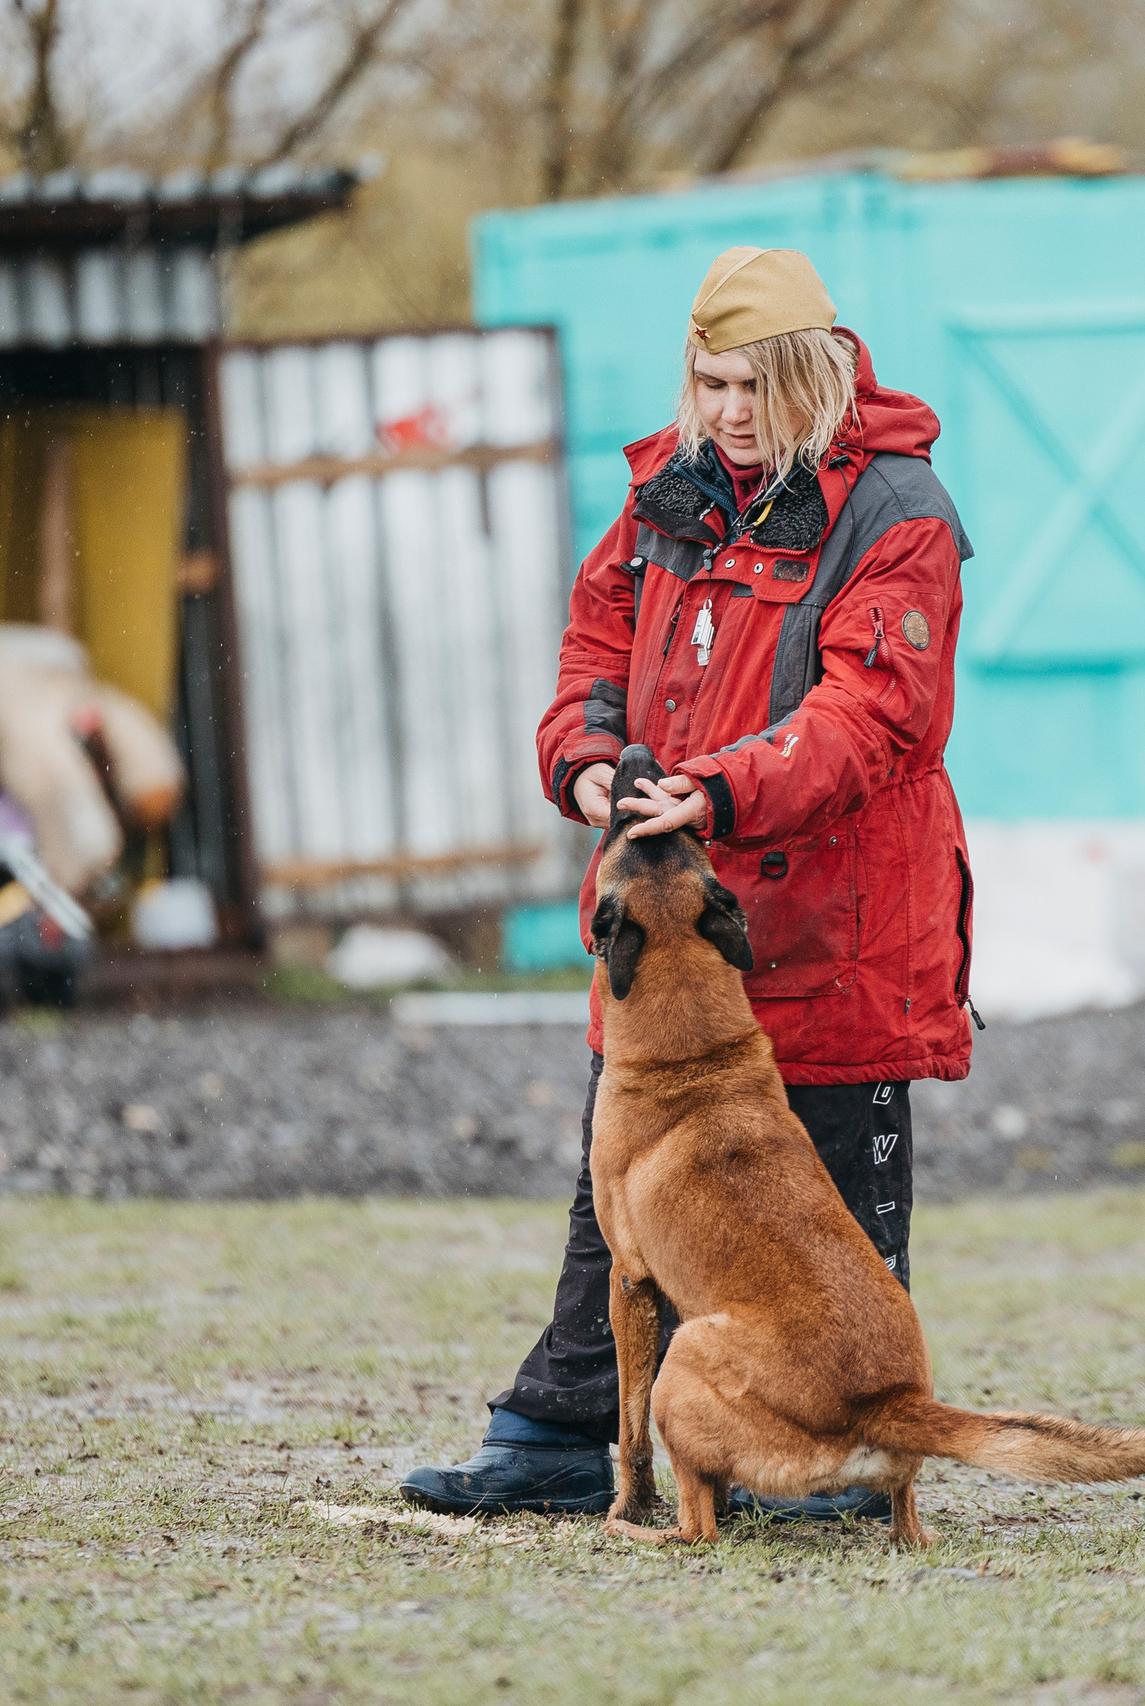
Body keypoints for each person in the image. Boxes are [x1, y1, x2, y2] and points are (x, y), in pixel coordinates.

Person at [400, 246, 977, 1519]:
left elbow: (872, 716)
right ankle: (563, 1428)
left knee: (826, 1228)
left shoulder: (897, 511)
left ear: (816, 374)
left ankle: (835, 1454)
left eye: (754, 387)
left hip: (839, 927)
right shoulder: (667, 487)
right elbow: (595, 640)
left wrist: (718, 789)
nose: (725, 413)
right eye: (709, 382)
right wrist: (588, 761)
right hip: (672, 925)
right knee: (617, 1197)